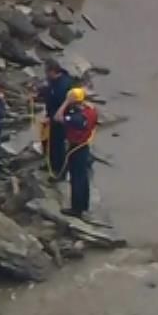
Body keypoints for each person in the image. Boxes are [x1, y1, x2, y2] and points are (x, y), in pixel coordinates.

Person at [53, 86, 99, 218]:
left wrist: (66, 102)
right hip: (84, 146)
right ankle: (84, 205)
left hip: (77, 147)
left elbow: (58, 117)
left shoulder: (77, 119)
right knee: (83, 177)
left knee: (77, 178)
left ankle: (76, 208)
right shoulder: (91, 111)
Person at [34, 58, 75, 181]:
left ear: (53, 71)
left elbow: (61, 105)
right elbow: (48, 91)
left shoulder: (63, 86)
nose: (46, 75)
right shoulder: (53, 81)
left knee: (58, 145)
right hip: (51, 115)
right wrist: (39, 93)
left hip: (60, 119)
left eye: (47, 72)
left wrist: (51, 118)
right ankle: (50, 163)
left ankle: (60, 171)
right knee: (48, 141)